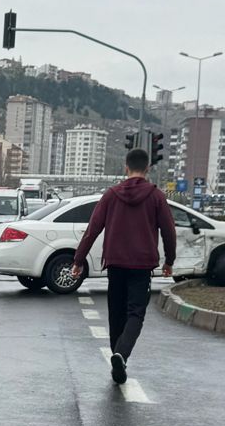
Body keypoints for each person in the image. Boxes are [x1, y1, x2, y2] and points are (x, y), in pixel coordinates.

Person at [72, 147, 178, 386]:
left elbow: (93, 229)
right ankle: (122, 354)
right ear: (148, 169)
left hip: (116, 262)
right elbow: (169, 231)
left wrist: (78, 260)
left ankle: (116, 357)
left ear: (126, 167)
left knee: (116, 313)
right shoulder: (156, 196)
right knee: (135, 313)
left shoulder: (111, 195)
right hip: (142, 265)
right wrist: (169, 260)